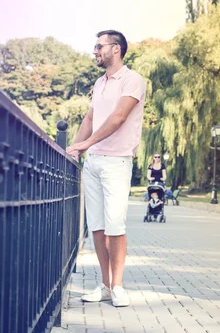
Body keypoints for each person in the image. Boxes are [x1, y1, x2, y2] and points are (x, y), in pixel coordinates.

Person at [66, 30, 146, 308]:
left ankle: (119, 286)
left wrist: (87, 142)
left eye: (99, 46)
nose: (95, 51)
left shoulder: (133, 80)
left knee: (115, 225)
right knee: (97, 227)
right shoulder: (100, 83)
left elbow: (119, 117)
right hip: (94, 162)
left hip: (117, 161)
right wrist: (76, 146)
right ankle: (104, 285)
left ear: (116, 49)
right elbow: (91, 117)